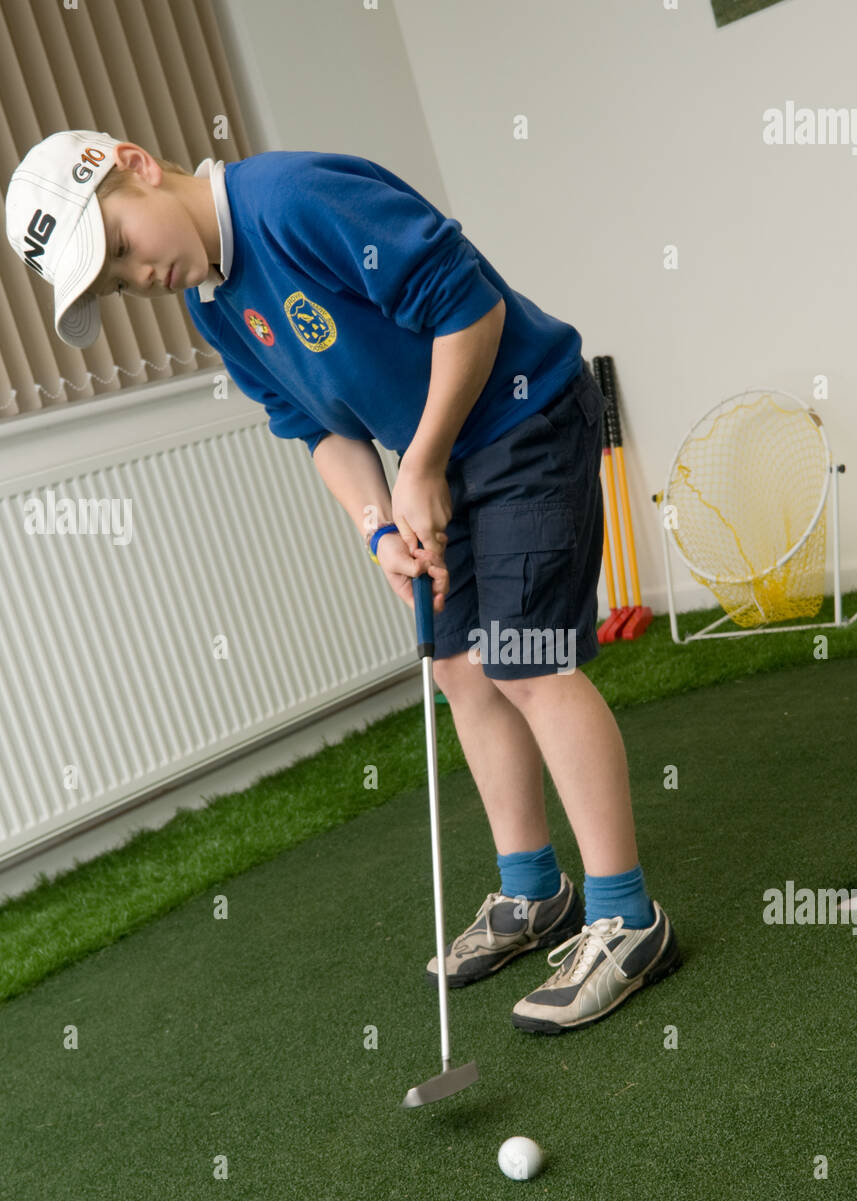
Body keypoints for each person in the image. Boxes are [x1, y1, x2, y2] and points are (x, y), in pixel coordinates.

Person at [5, 130, 681, 1032]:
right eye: (118, 282)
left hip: (527, 417)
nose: (141, 277)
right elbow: (315, 427)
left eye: (124, 247)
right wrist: (378, 529)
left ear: (132, 164)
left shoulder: (292, 201)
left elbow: (466, 309)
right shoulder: (215, 305)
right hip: (438, 462)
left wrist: (424, 464)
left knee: (525, 660)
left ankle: (628, 918)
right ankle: (533, 893)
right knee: (460, 669)